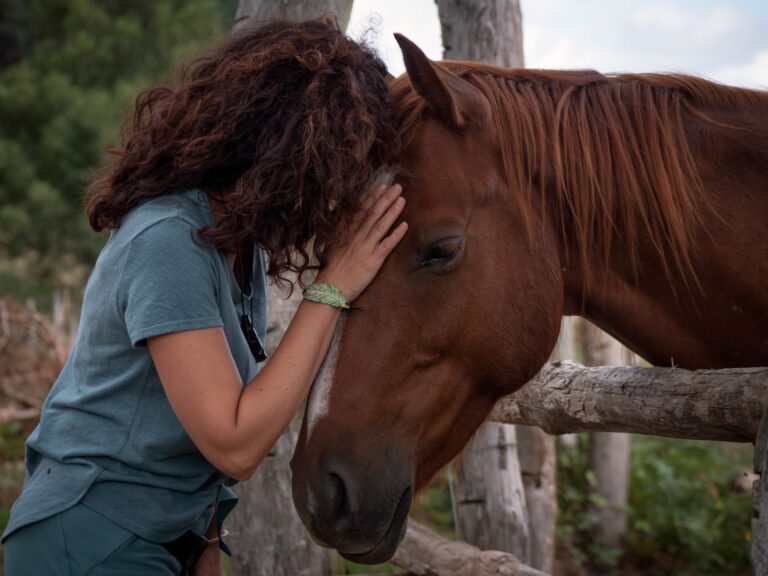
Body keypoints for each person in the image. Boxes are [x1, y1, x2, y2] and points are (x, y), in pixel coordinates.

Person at [2, 17, 407, 576]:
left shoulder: (239, 247)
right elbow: (234, 444)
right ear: (289, 154)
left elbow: (192, 436)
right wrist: (333, 286)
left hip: (166, 541)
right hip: (89, 538)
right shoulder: (168, 239)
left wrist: (204, 544)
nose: (339, 195)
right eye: (336, 170)